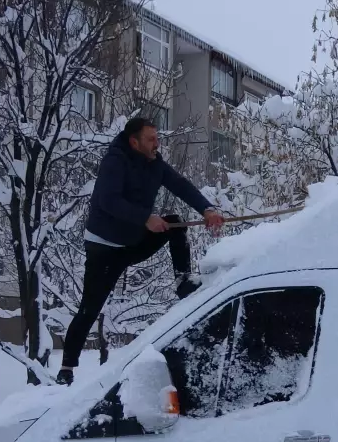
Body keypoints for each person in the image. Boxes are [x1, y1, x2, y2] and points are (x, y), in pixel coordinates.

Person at [57, 116, 224, 385]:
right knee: (90, 308)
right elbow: (109, 201)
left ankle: (183, 281)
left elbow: (179, 184)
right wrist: (145, 218)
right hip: (104, 248)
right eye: (151, 139)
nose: (157, 144)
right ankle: (66, 369)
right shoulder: (115, 161)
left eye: (157, 138)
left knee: (175, 223)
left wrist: (206, 209)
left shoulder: (154, 162)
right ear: (134, 142)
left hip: (133, 241)